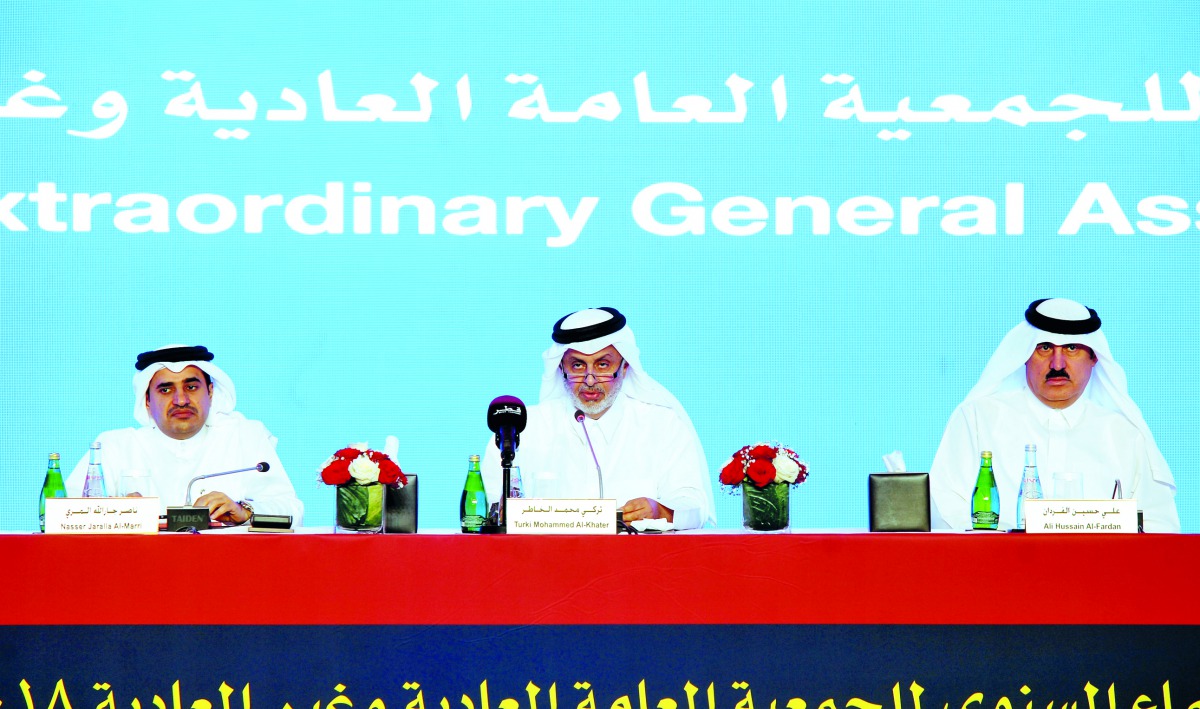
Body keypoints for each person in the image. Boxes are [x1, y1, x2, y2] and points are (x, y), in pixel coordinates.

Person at [929, 298, 1179, 532]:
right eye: (1045, 348)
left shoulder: (1124, 435)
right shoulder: (978, 419)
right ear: (1024, 354)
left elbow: (1160, 524)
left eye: (1071, 348)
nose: (1057, 364)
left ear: (1093, 357)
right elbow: (945, 509)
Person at [482, 307, 716, 529]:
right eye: (577, 365)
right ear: (562, 368)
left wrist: (660, 511)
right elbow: (491, 506)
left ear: (624, 367)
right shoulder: (522, 428)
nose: (590, 380)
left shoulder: (662, 425)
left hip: (637, 564)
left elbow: (694, 504)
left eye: (603, 365)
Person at [66, 345, 304, 525]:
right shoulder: (114, 446)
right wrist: (111, 513)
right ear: (147, 401)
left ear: (210, 392)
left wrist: (245, 512)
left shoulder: (245, 436)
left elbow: (292, 512)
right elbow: (63, 515)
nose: (180, 400)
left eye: (191, 387)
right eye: (166, 389)